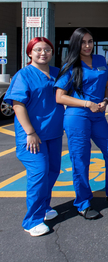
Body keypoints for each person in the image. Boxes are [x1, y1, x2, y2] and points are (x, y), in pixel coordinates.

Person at [55, 28, 108, 220]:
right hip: (77, 116)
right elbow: (59, 97)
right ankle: (83, 203)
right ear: (76, 44)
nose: (88, 46)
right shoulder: (71, 65)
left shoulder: (99, 60)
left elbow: (106, 85)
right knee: (81, 159)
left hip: (97, 114)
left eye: (90, 41)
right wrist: (87, 103)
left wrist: (105, 101)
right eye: (83, 42)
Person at [4, 37, 64, 236]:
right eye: (37, 50)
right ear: (30, 53)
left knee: (53, 170)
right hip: (32, 136)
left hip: (53, 133)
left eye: (47, 49)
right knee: (39, 172)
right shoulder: (23, 75)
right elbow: (18, 105)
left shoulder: (56, 73)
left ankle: (44, 207)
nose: (43, 53)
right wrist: (30, 132)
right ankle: (32, 220)